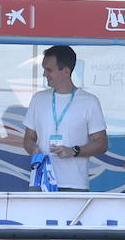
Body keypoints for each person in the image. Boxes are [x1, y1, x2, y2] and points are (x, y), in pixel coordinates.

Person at [23, 45, 108, 191]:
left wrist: (74, 151)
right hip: (40, 181)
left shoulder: (89, 101)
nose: (44, 74)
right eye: (44, 69)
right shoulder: (38, 99)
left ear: (66, 71)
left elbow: (102, 143)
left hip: (74, 183)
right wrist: (33, 149)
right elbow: (28, 137)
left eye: (49, 70)